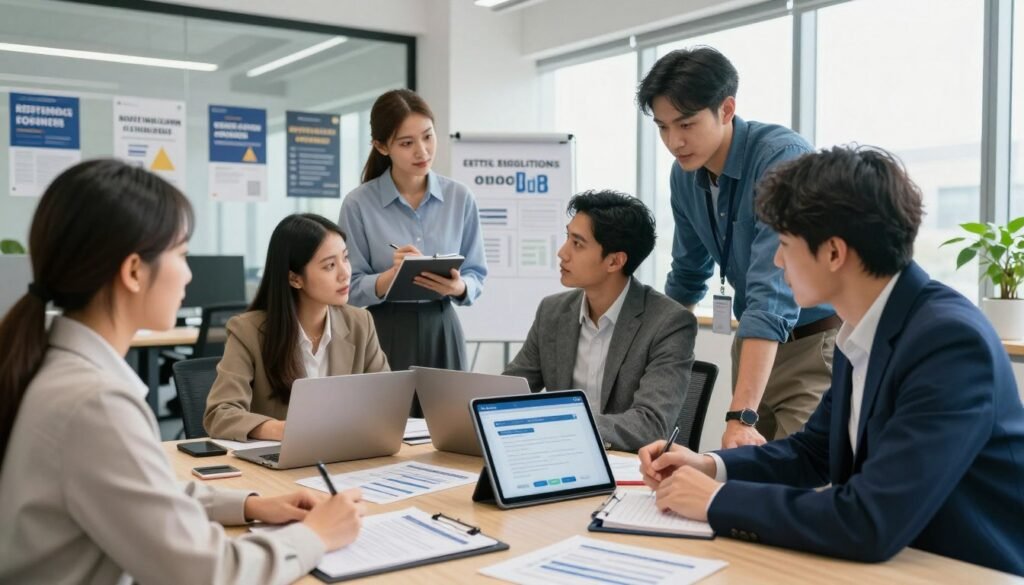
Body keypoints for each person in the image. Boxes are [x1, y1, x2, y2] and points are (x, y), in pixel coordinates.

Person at [638, 146, 1024, 576]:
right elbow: (812, 452)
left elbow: (871, 518)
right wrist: (711, 466)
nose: (778, 261)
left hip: (964, 570)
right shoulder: (861, 328)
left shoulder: (949, 343)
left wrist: (714, 501)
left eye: (784, 244)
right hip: (897, 562)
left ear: (835, 253)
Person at [0, 160, 365, 584]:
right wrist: (314, 535)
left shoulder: (56, 368)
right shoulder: (94, 402)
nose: (190, 274)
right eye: (182, 254)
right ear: (134, 271)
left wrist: (249, 504)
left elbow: (144, 495)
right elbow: (207, 574)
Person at [637, 46, 841, 448]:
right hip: (754, 345)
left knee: (799, 484)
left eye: (686, 124)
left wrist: (741, 414)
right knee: (746, 481)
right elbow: (687, 276)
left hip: (814, 347)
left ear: (727, 109)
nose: (675, 142)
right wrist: (651, 356)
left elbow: (772, 294)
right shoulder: (685, 176)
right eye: (662, 127)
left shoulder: (781, 159)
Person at [504, 190, 697, 452]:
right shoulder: (552, 312)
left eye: (577, 243)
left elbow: (650, 425)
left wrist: (558, 425)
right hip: (556, 457)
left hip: (628, 468)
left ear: (615, 261)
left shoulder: (670, 324)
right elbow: (511, 390)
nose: (562, 253)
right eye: (567, 238)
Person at [338, 89, 487, 383]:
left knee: (450, 426)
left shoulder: (460, 197)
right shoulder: (358, 204)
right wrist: (390, 277)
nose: (422, 151)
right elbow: (348, 288)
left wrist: (459, 287)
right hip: (383, 330)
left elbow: (476, 273)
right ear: (381, 147)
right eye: (407, 143)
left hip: (442, 327)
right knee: (386, 426)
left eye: (428, 136)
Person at [204, 214, 389, 441]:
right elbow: (220, 414)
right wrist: (282, 430)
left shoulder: (361, 323)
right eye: (330, 265)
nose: (345, 273)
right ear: (295, 278)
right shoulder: (248, 331)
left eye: (345, 258)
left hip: (348, 455)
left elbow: (386, 401)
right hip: (282, 462)